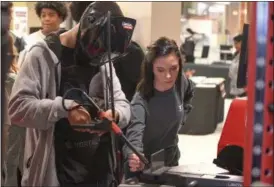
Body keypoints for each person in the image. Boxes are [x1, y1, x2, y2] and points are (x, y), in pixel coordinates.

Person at [8, 2, 133, 186]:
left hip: (99, 173)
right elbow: (18, 109)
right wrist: (65, 108)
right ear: (84, 27)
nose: (99, 59)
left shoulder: (103, 60)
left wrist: (115, 114)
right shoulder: (42, 55)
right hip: (54, 172)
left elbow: (122, 103)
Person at [123, 37, 194, 181]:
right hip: (143, 167)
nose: (168, 76)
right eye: (160, 70)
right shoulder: (141, 98)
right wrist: (134, 154)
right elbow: (134, 133)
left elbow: (189, 93)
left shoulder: (181, 81)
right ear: (151, 68)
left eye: (173, 68)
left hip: (170, 161)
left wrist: (182, 119)